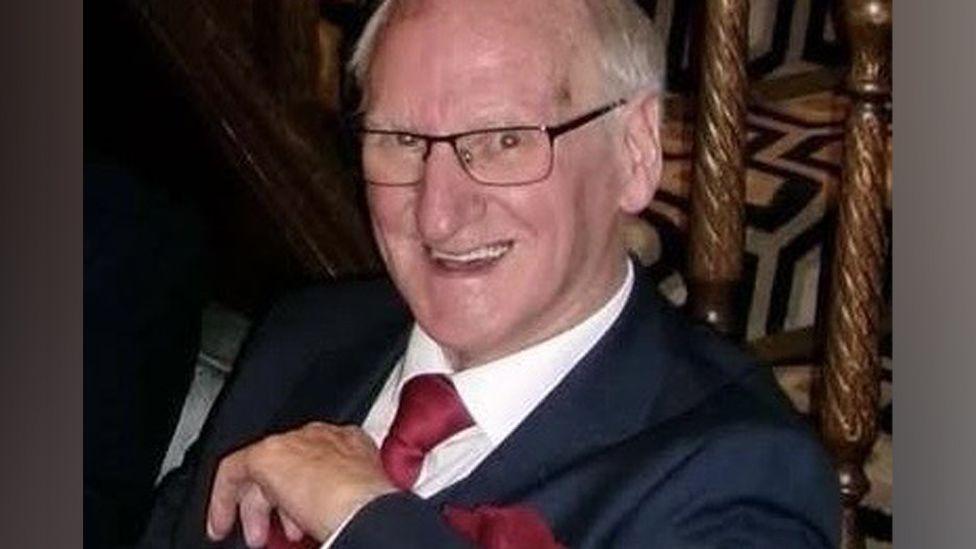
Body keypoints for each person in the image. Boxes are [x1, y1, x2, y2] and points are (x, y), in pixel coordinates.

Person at [139, 0, 839, 547]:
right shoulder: (306, 338)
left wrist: (366, 520)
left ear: (635, 152)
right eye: (402, 141)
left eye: (504, 140)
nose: (439, 214)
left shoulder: (736, 473)